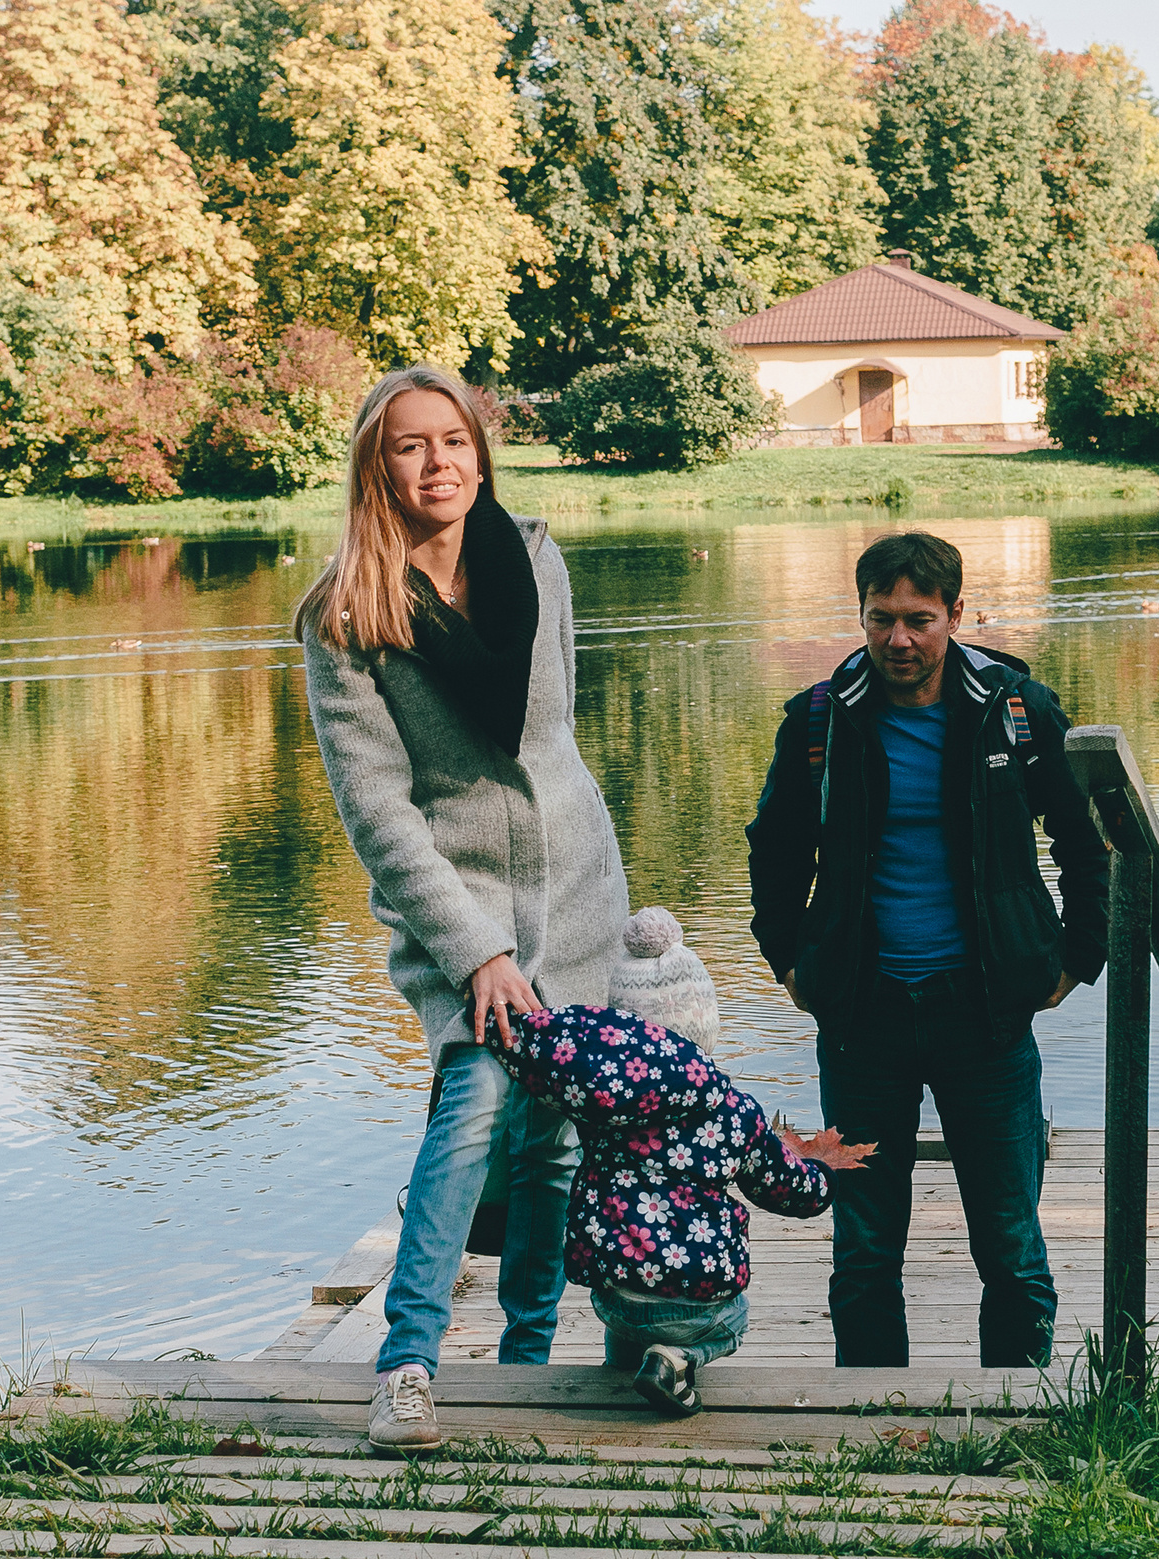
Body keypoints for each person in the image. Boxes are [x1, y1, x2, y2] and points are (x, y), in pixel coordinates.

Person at [296, 366, 629, 1454]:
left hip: (577, 886)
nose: (437, 463)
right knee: (476, 1101)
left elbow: (557, 735)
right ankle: (406, 1366)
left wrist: (576, 874)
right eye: (409, 446)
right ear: (375, 468)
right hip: (457, 899)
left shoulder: (535, 559)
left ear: (480, 453)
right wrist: (477, 948)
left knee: (554, 1138)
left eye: (454, 440)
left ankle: (527, 1363)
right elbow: (377, 812)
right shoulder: (346, 615)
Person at [745, 531, 1109, 1368]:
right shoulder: (818, 716)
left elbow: (1087, 843)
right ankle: (871, 1425)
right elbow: (775, 846)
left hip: (983, 1014)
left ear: (956, 613)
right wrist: (790, 960)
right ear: (861, 615)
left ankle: (1019, 1417)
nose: (898, 639)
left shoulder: (1016, 708)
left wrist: (1075, 958)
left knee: (1010, 1240)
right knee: (865, 1245)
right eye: (881, 619)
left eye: (918, 619)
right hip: (862, 1017)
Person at [489, 996, 872, 1416]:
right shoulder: (734, 1112)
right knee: (735, 1318)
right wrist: (823, 1178)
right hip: (691, 1305)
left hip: (612, 1300)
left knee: (635, 1285)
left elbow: (533, 1060)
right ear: (701, 1039)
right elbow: (786, 1189)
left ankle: (623, 1368)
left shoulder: (599, 1098)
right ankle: (676, 1361)